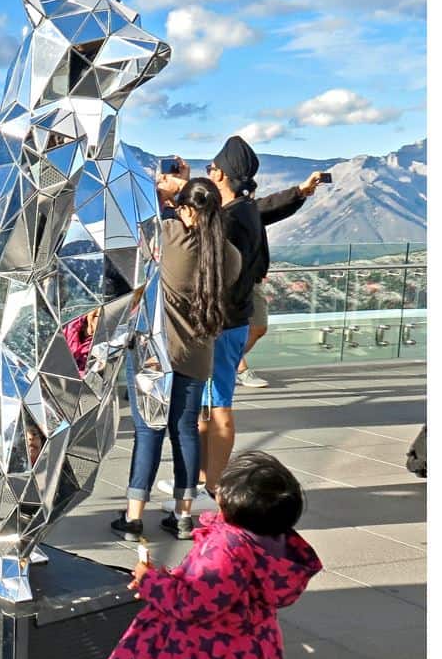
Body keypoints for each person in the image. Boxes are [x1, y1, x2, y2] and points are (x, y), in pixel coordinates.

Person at [99, 451, 322, 659]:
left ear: (231, 505)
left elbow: (193, 601)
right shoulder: (275, 541)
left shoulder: (227, 548)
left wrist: (150, 580)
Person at [158, 137, 317, 498]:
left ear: (221, 174)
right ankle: (199, 479)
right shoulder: (243, 210)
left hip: (219, 323)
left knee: (218, 407)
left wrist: (183, 189)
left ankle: (212, 483)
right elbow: (258, 208)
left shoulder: (229, 219)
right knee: (207, 407)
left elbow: (194, 233)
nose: (208, 174)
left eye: (211, 170)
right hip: (232, 320)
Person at [111, 178, 241, 542]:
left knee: (148, 431)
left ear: (185, 210)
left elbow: (143, 212)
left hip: (155, 356)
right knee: (184, 432)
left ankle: (134, 516)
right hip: (199, 355)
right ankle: (184, 516)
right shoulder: (229, 256)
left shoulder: (171, 237)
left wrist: (167, 188)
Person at [236, 165, 328, 388]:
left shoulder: (250, 213)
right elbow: (269, 206)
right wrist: (299, 191)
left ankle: (226, 363)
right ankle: (237, 367)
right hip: (234, 280)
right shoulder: (232, 211)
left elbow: (273, 209)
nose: (252, 197)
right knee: (232, 329)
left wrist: (301, 193)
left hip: (252, 278)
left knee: (258, 327)